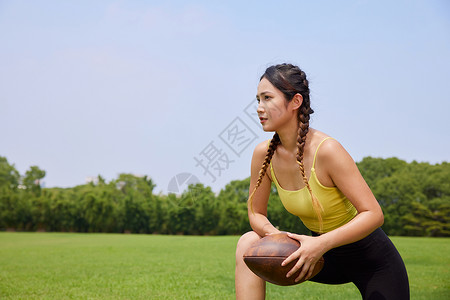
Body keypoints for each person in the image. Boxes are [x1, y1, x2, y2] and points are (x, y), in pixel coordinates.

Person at [235, 63, 409, 300]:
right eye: (257, 99)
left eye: (267, 98)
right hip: (317, 257)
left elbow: (373, 213)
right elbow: (255, 212)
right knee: (248, 242)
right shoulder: (263, 155)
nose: (258, 108)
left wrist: (321, 244)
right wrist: (276, 237)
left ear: (295, 102)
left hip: (370, 259)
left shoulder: (327, 150)